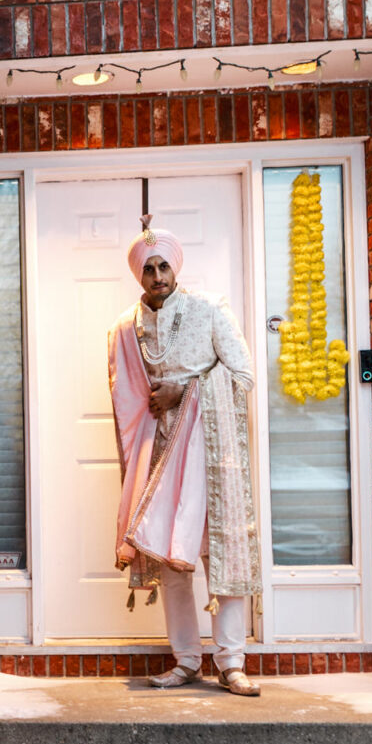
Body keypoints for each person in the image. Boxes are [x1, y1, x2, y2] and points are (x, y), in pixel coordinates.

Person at [107, 214, 262, 696]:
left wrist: (186, 392)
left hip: (214, 456)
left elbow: (243, 377)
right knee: (172, 559)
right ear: (139, 275)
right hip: (161, 458)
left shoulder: (210, 309)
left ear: (176, 268)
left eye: (163, 267)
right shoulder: (125, 331)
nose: (157, 277)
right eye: (148, 269)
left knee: (224, 554)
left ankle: (231, 662)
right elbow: (124, 402)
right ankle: (187, 660)